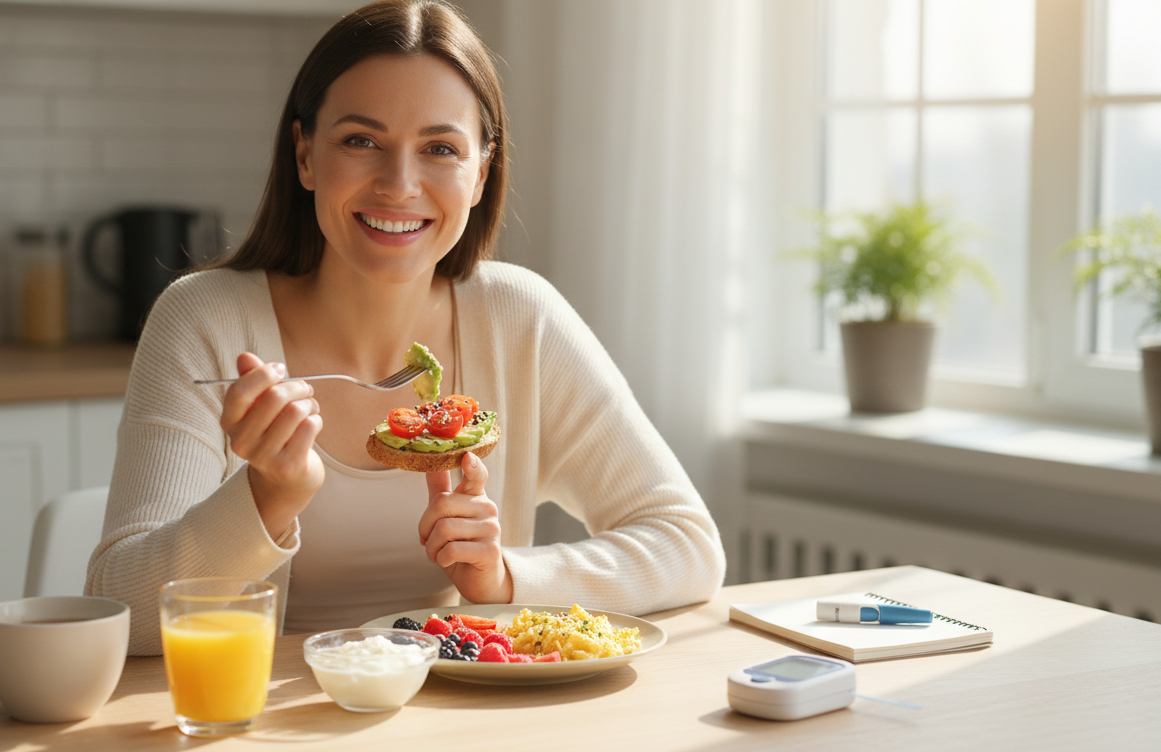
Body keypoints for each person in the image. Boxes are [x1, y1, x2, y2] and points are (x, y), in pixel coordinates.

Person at [87, 0, 725, 655]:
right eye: (361, 140)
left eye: (440, 148)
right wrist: (266, 497)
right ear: (305, 154)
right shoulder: (203, 320)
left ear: (480, 173)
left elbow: (687, 543)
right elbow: (119, 609)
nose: (398, 184)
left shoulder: (520, 320)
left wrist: (506, 577)